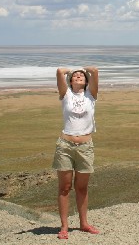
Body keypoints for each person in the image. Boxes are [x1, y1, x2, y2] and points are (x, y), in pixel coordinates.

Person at [52, 66, 100, 240]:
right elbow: (59, 71)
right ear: (70, 81)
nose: (78, 76)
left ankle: (84, 223)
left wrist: (86, 70)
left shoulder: (91, 95)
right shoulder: (66, 95)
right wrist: (72, 69)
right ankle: (64, 227)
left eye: (82, 76)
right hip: (65, 145)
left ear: (87, 82)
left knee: (82, 187)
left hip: (86, 146)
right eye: (75, 76)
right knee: (64, 187)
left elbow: (95, 71)